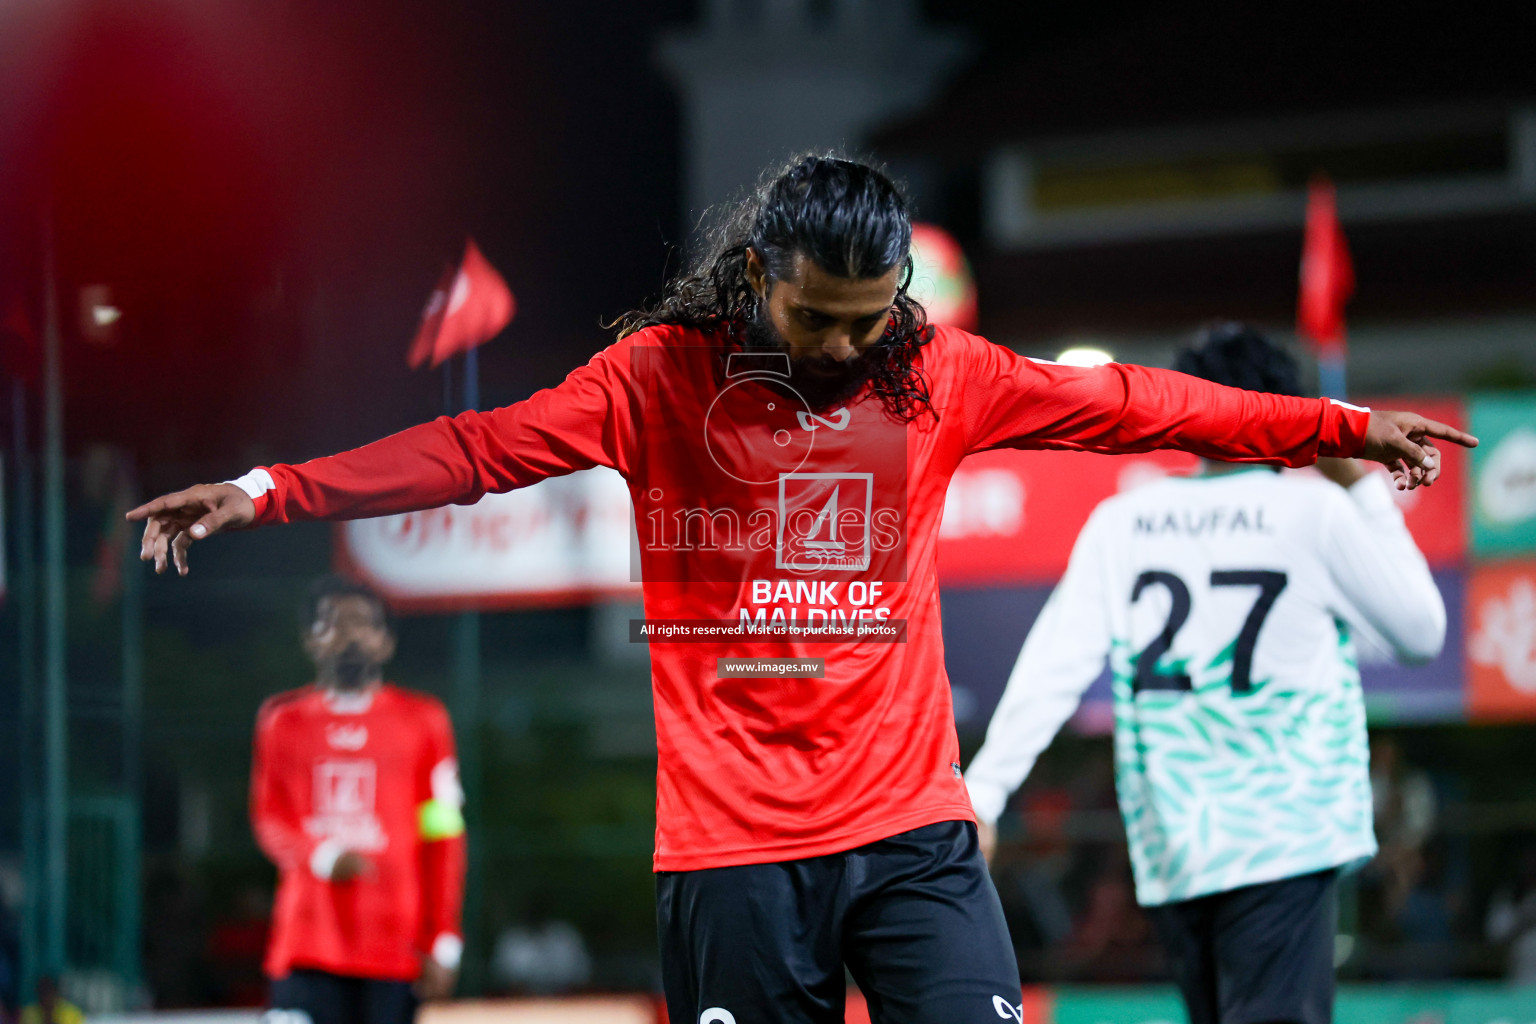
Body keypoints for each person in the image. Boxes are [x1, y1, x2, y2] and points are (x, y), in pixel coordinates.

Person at [130, 157, 1472, 1024]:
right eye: (818, 315)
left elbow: (1127, 403)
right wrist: (269, 488)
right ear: (760, 275)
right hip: (734, 857)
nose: (845, 343)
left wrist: (1331, 426)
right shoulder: (657, 379)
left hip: (910, 834)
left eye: (871, 315)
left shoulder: (941, 373)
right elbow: (479, 451)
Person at [964, 323, 1450, 1024]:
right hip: (1290, 834)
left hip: (1176, 845)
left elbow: (1054, 666)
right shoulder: (1313, 510)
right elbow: (1421, 633)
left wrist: (984, 793)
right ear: (1289, 413)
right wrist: (1359, 488)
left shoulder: (1123, 521)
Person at [251, 577, 466, 1024]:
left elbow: (444, 833)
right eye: (333, 623)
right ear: (310, 639)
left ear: (386, 641)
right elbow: (270, 817)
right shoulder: (282, 721)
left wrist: (443, 938)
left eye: (362, 624)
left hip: (394, 948)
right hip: (307, 944)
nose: (349, 635)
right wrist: (321, 856)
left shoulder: (424, 721)